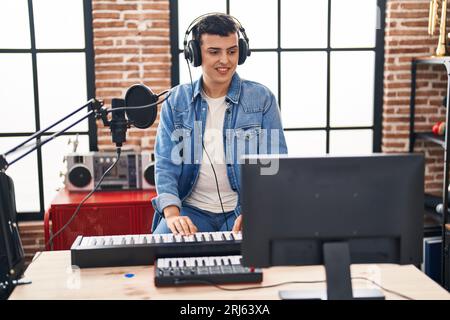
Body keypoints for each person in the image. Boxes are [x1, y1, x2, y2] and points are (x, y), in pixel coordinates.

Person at [151, 13, 287, 235]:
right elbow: (166, 165)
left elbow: (273, 165)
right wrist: (173, 214)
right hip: (191, 210)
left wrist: (258, 210)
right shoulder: (176, 102)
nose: (225, 60)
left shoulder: (262, 99)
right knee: (162, 243)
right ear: (195, 54)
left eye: (232, 51)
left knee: (262, 256)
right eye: (214, 52)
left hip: (243, 211)